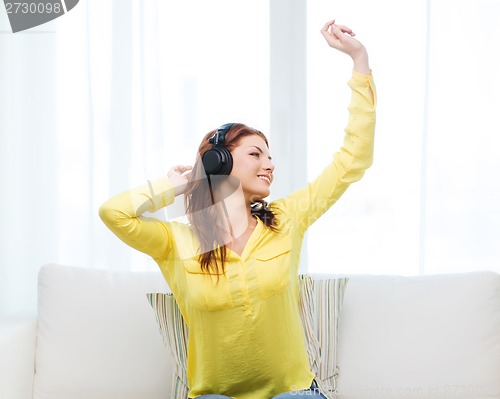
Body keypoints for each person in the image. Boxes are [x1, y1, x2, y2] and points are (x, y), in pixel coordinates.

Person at [99, 19, 376, 399]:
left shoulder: (286, 218)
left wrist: (358, 60)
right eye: (255, 154)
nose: (269, 164)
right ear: (218, 163)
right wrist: (174, 186)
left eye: (271, 155)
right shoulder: (175, 242)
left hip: (293, 393)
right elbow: (113, 213)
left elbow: (352, 161)